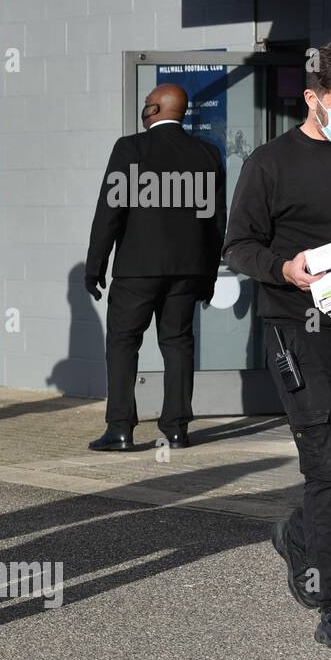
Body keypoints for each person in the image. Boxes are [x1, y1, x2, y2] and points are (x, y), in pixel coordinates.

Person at [225, 41, 331, 651]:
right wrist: (285, 268)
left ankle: (301, 533)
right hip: (301, 333)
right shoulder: (270, 163)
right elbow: (238, 247)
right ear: (312, 99)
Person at [85, 83, 226, 452]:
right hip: (188, 271)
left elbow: (109, 211)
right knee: (178, 342)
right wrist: (208, 275)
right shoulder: (207, 154)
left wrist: (95, 263)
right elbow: (215, 222)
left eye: (147, 105)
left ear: (153, 110)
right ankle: (177, 429)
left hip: (137, 269)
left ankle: (120, 430)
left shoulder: (130, 148)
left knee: (122, 342)